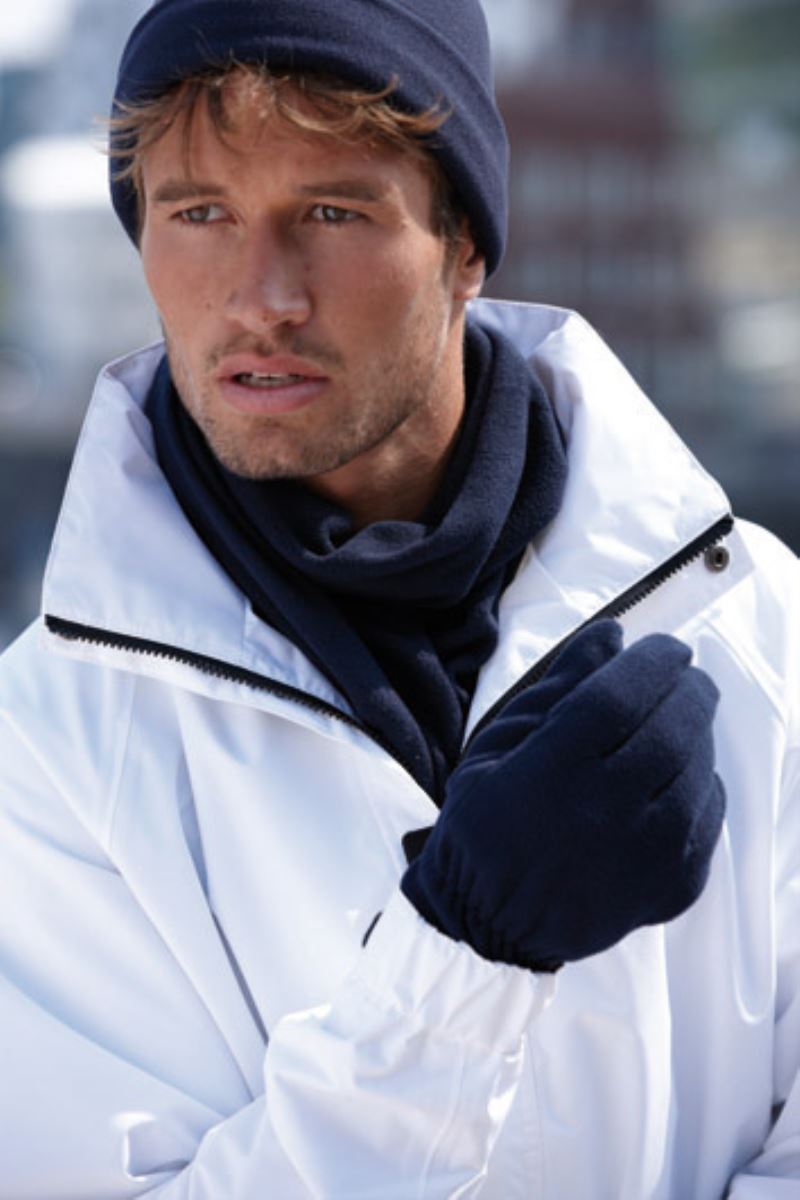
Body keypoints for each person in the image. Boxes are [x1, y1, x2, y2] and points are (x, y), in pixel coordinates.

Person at [0, 0, 797, 1195]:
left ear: (464, 244)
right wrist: (466, 954)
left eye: (332, 212)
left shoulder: (757, 625)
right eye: (199, 214)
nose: (260, 297)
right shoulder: (47, 743)